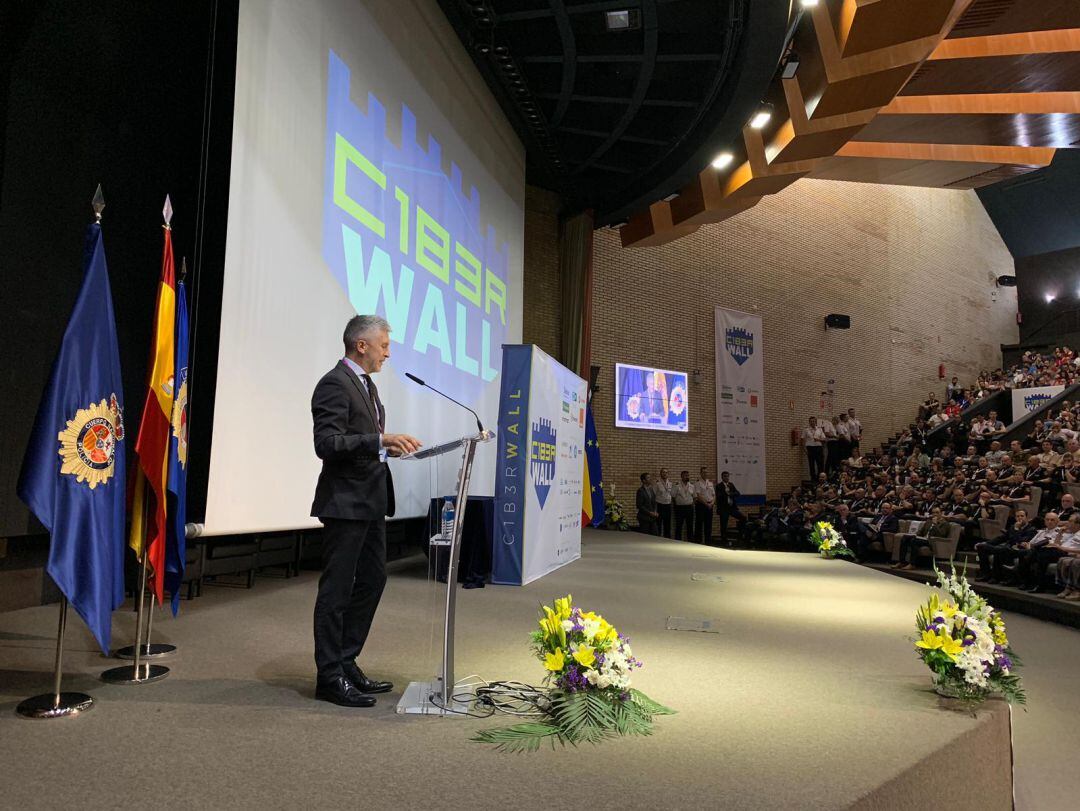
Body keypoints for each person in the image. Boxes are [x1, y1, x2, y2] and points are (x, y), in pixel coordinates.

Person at [310, 314, 421, 708]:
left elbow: (361, 442)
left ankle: (345, 660)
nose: (388, 353)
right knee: (337, 589)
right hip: (345, 502)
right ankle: (329, 676)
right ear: (362, 345)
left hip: (371, 501)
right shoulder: (334, 384)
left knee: (373, 580)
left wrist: (383, 447)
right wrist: (378, 439)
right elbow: (327, 443)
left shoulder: (367, 386)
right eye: (384, 346)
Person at [975, 508, 1036, 583]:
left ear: (1026, 517)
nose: (1020, 518)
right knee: (981, 547)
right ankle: (985, 574)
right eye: (1017, 516)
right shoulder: (1012, 527)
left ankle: (996, 577)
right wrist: (987, 543)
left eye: (1022, 516)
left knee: (1000, 550)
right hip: (1007, 549)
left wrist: (1016, 529)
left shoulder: (1031, 529)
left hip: (1018, 551)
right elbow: (1002, 538)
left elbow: (1020, 541)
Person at [715, 470, 747, 546]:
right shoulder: (719, 486)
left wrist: (730, 493)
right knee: (723, 525)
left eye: (727, 476)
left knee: (743, 518)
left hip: (732, 508)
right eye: (725, 476)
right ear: (722, 477)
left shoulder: (731, 485)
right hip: (724, 508)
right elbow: (719, 496)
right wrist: (726, 493)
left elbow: (738, 493)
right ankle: (724, 541)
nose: (727, 478)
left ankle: (740, 536)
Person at [693, 467, 715, 544]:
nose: (705, 474)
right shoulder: (697, 483)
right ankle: (698, 542)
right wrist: (706, 504)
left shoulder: (710, 483)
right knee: (699, 524)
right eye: (704, 472)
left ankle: (708, 542)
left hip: (710, 505)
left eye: (706, 472)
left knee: (708, 524)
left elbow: (714, 495)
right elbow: (698, 496)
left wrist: (712, 503)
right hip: (701, 505)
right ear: (701, 473)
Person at [672, 470, 695, 541]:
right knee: (679, 526)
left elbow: (695, 497)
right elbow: (673, 496)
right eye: (685, 475)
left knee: (690, 526)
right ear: (681, 476)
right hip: (680, 508)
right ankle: (677, 541)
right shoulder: (676, 485)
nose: (687, 477)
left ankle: (690, 541)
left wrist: (692, 504)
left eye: (688, 475)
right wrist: (676, 504)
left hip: (689, 508)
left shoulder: (692, 486)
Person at [653, 468, 673, 538]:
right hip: (660, 505)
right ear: (660, 474)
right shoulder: (657, 483)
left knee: (667, 524)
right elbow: (654, 496)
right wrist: (655, 509)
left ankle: (667, 539)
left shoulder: (670, 483)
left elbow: (671, 494)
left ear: (668, 474)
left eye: (666, 472)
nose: (665, 474)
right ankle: (658, 539)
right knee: (659, 523)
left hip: (668, 505)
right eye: (663, 472)